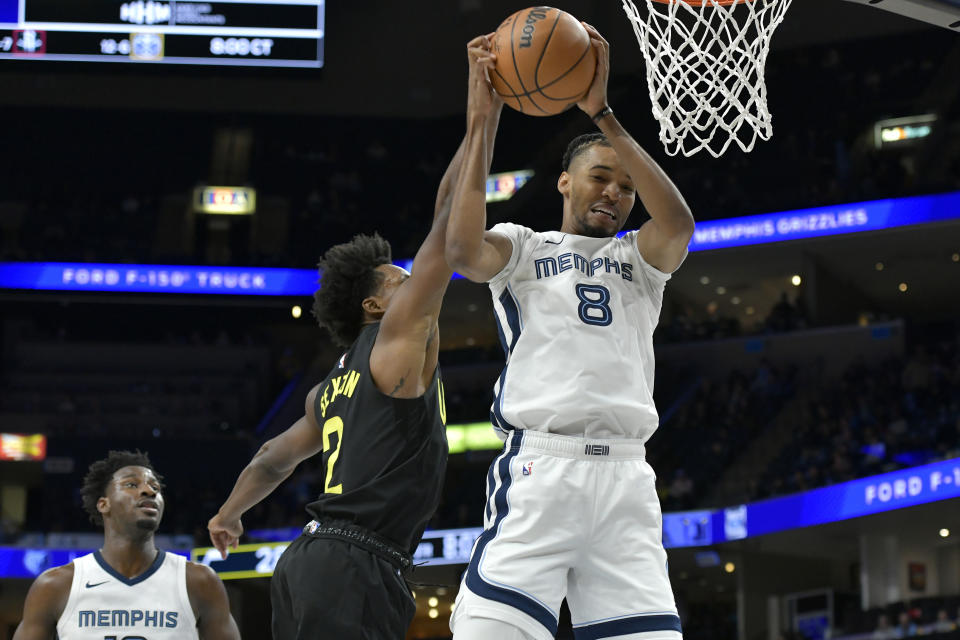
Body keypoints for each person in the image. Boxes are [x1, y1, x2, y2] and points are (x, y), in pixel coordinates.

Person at [206, 50, 503, 640]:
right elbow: (448, 228)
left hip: (312, 564)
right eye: (399, 278)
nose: (412, 281)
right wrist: (484, 116)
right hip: (353, 565)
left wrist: (228, 512)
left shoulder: (328, 387)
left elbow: (273, 457)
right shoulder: (395, 339)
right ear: (374, 304)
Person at [445, 25, 695, 640]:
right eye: (600, 177)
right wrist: (484, 122)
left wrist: (604, 114)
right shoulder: (526, 248)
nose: (614, 192)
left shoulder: (642, 260)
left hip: (627, 483)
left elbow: (680, 221)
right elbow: (460, 247)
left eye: (626, 186)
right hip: (541, 473)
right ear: (564, 181)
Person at [14, 450, 239, 640]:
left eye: (155, 487)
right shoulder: (55, 585)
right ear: (104, 504)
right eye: (131, 484)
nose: (149, 490)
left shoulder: (200, 582)